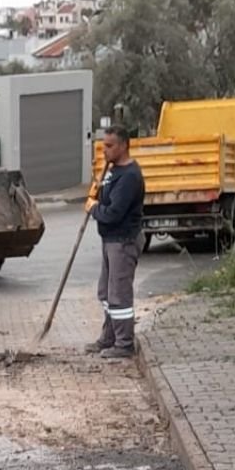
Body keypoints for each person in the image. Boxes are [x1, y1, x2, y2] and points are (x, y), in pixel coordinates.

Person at [85, 125, 146, 358]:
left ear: (123, 146)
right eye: (103, 145)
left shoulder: (129, 176)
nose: (104, 151)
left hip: (123, 241)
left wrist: (94, 207)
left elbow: (113, 213)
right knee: (106, 292)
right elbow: (106, 198)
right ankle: (109, 338)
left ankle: (124, 344)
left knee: (119, 295)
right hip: (110, 240)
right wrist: (97, 192)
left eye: (109, 146)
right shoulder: (112, 170)